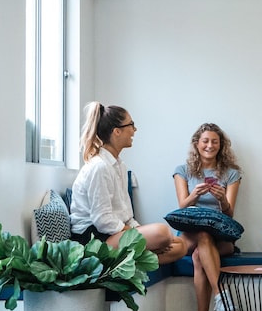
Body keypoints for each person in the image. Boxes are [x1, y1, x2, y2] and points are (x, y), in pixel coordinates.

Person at [69, 103, 187, 265]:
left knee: (180, 246)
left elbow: (126, 215)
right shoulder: (99, 167)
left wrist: (141, 233)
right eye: (131, 125)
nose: (134, 130)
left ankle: (124, 263)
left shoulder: (119, 166)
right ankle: (116, 264)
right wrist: (139, 235)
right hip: (94, 241)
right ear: (117, 131)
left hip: (112, 235)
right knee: (163, 233)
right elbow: (102, 221)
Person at [173, 122, 242, 311]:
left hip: (220, 236)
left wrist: (222, 199)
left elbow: (230, 212)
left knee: (198, 255)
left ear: (221, 145)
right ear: (197, 144)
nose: (210, 145)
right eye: (205, 141)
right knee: (200, 239)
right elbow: (181, 206)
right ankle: (220, 295)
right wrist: (195, 194)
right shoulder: (182, 171)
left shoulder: (231, 173)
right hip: (191, 232)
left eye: (214, 141)